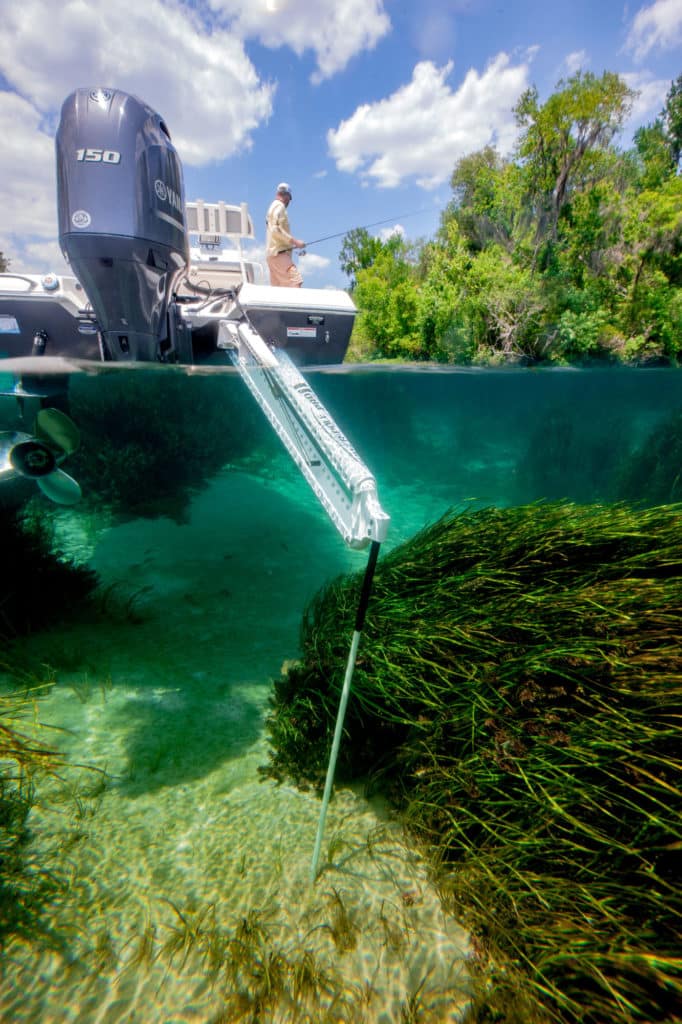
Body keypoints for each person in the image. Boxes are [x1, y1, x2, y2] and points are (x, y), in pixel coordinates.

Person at [265, 183, 305, 287]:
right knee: (296, 281)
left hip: (273, 256)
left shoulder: (272, 207)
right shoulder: (280, 206)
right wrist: (295, 242)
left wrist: (290, 245)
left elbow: (274, 231)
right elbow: (276, 229)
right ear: (287, 196)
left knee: (278, 289)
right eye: (290, 199)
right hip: (279, 255)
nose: (289, 202)